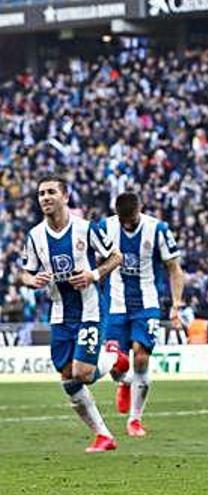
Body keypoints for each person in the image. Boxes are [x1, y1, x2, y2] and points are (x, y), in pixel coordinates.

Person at [20, 175, 127, 452]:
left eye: (51, 192)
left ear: (65, 196)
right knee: (68, 377)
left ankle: (115, 358)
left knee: (83, 372)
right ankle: (104, 436)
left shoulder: (86, 229)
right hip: (59, 314)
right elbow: (24, 272)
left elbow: (116, 257)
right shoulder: (35, 236)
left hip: (90, 309)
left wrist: (94, 274)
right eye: (41, 193)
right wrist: (32, 281)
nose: (45, 197)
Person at [102, 192, 186, 437]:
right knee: (113, 364)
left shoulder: (157, 229)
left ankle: (135, 420)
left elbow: (175, 269)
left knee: (141, 357)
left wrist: (176, 304)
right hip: (115, 304)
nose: (127, 225)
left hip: (146, 304)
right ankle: (125, 382)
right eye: (123, 220)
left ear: (140, 210)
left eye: (131, 219)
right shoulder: (105, 227)